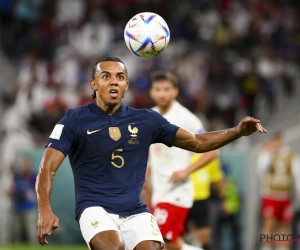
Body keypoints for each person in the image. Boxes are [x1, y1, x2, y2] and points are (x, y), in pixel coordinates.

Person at [35, 56, 267, 250]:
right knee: (114, 246)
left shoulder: (146, 120)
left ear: (127, 85)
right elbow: (48, 167)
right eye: (106, 76)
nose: (113, 82)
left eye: (120, 77)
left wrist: (237, 131)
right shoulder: (75, 119)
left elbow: (197, 142)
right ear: (93, 84)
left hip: (135, 209)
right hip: (94, 207)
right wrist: (45, 209)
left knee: (154, 247)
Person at [146, 71, 219, 250]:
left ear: (175, 91)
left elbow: (213, 150)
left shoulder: (185, 118)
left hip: (176, 193)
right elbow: (154, 154)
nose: (162, 93)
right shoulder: (150, 116)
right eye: (158, 89)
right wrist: (147, 178)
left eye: (166, 89)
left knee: (156, 242)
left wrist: (186, 171)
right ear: (151, 92)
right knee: (172, 244)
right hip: (159, 192)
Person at [256, 133, 300, 250]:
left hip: (285, 196)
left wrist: (298, 189)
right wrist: (268, 154)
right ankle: (266, 247)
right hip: (271, 195)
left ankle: (283, 248)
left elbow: (297, 174)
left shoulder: (291, 155)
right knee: (269, 225)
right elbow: (260, 171)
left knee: (285, 226)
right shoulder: (267, 153)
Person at [185, 153, 224, 250]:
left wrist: (223, 199)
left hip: (201, 201)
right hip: (183, 200)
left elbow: (217, 180)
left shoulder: (209, 155)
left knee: (204, 237)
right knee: (177, 237)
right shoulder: (182, 154)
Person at [11, 156, 37, 243]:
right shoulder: (18, 177)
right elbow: (13, 189)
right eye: (24, 164)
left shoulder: (33, 176)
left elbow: (37, 190)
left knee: (31, 231)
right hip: (18, 206)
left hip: (29, 207)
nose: (25, 166)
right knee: (17, 231)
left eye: (27, 164)